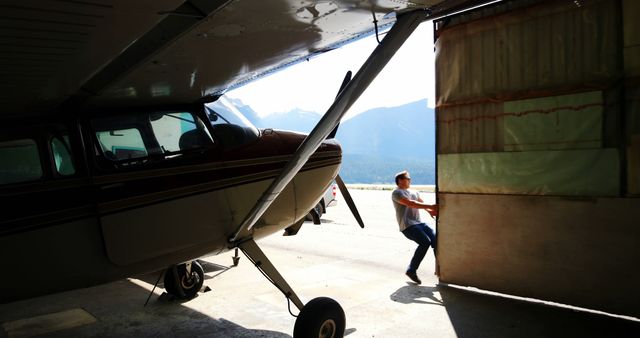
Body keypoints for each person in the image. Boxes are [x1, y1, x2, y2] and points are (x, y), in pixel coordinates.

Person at [391, 170, 438, 285]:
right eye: (408, 178)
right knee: (425, 242)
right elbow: (410, 203)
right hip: (407, 225)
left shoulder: (414, 192)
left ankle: (442, 269)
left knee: (436, 241)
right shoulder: (397, 193)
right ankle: (411, 270)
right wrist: (431, 206)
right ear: (400, 181)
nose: (410, 180)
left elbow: (420, 203)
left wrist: (430, 211)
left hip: (419, 223)